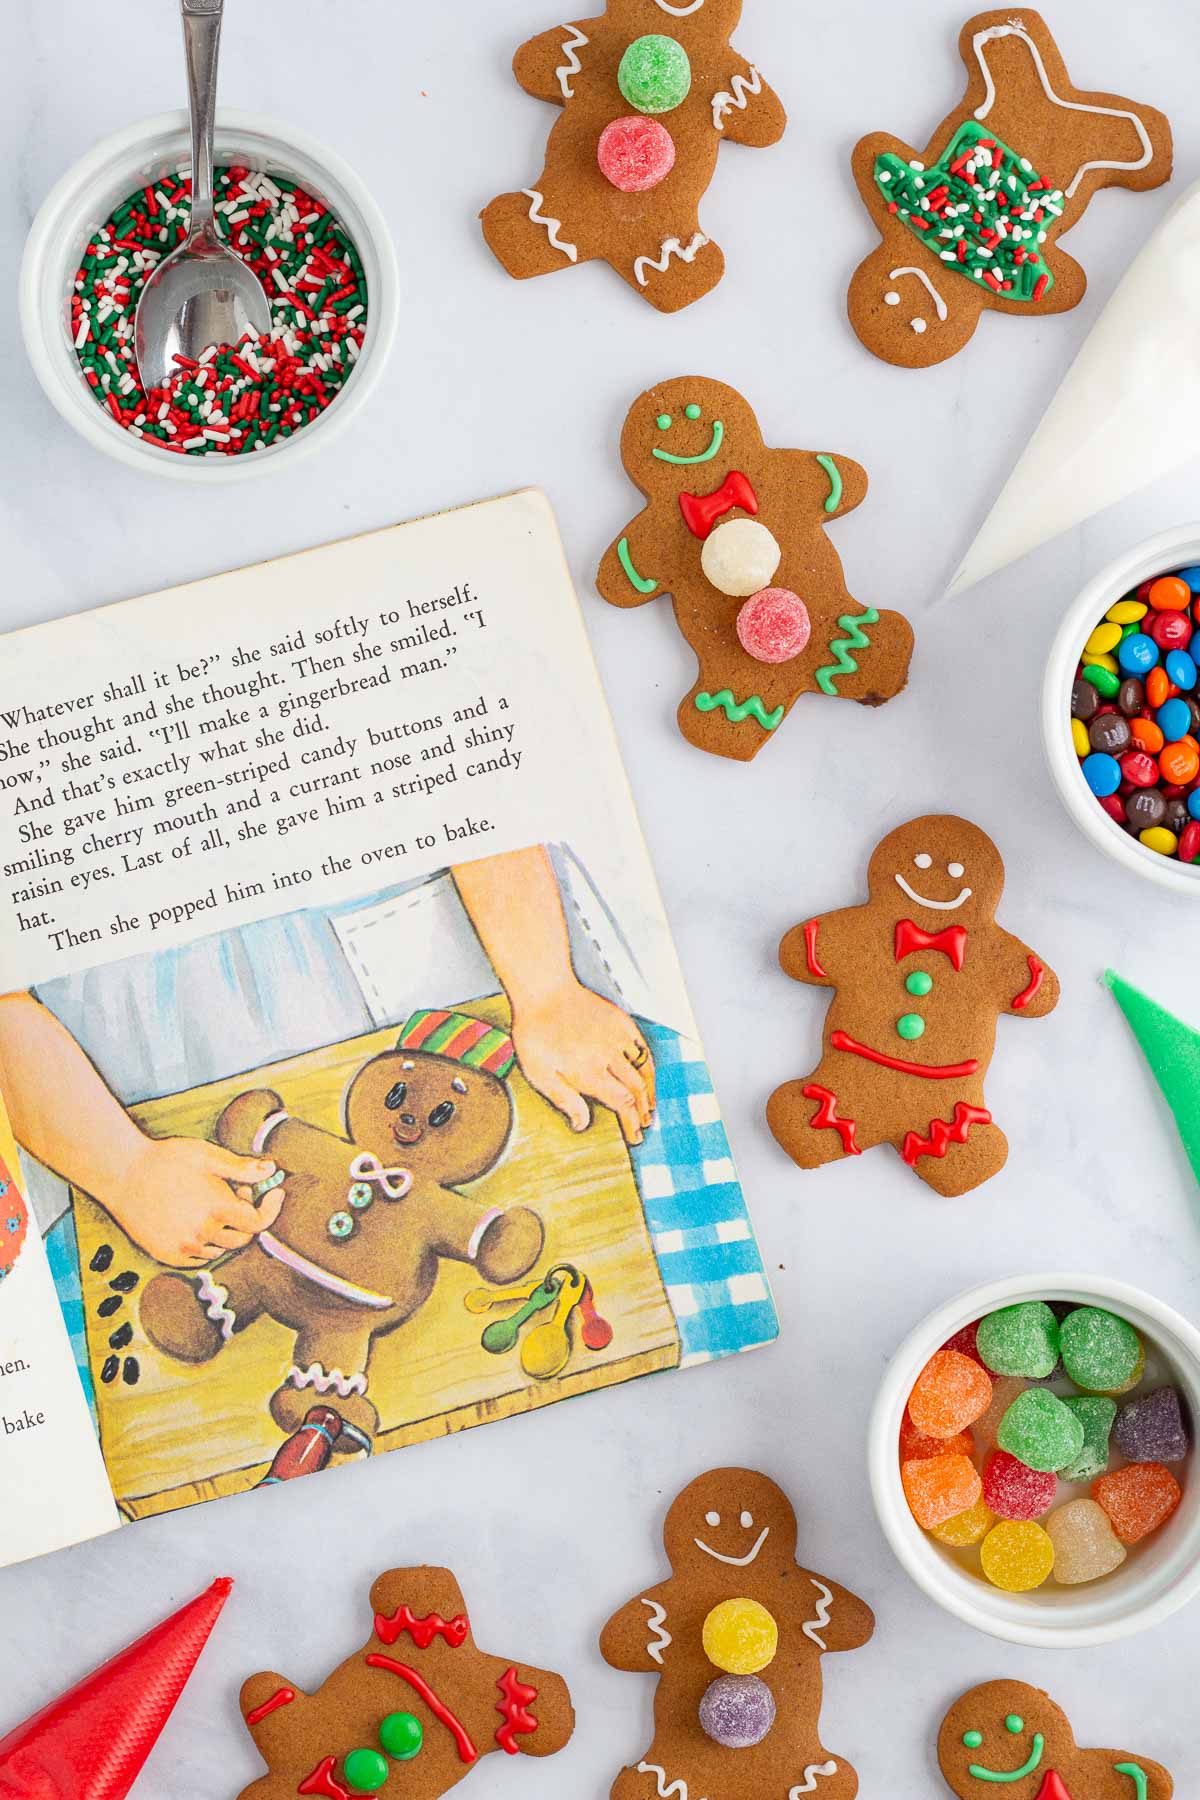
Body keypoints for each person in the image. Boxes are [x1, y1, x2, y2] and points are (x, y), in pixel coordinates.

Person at [0, 846, 655, 1268]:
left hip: (435, 950)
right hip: (112, 1073)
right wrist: (122, 1168)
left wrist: (545, 988)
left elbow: (476, 790)